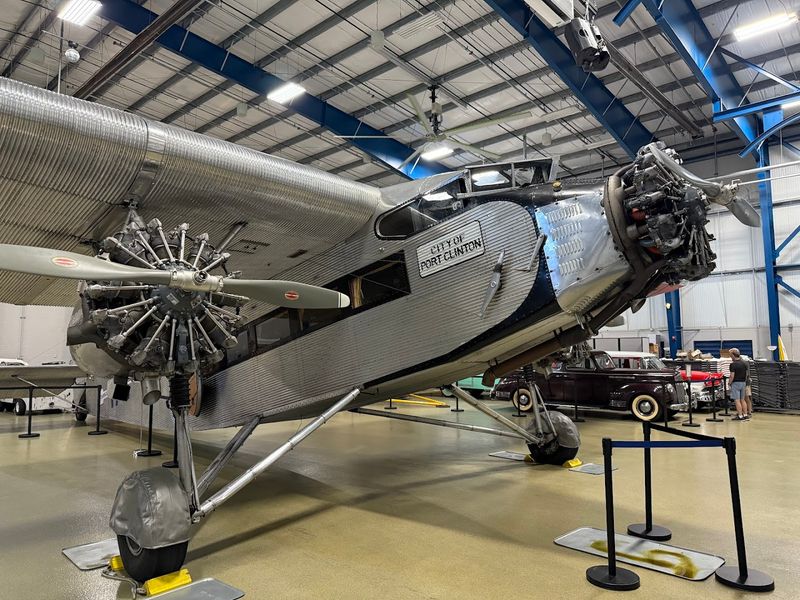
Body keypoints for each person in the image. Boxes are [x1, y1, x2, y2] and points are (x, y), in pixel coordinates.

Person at [728, 348, 749, 421]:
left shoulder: (732, 365)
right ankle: (745, 414)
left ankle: (740, 416)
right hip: (743, 383)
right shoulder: (744, 363)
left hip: (736, 383)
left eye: (730, 355)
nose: (730, 357)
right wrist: (744, 381)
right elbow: (746, 374)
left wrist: (729, 383)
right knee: (743, 400)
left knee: (737, 400)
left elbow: (732, 376)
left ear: (733, 355)